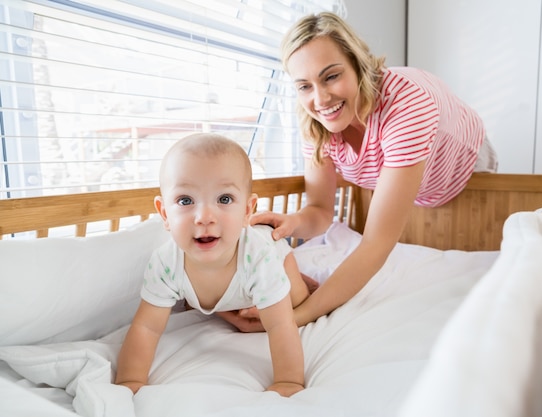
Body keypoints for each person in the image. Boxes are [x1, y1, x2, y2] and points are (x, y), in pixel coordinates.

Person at [219, 12, 498, 332]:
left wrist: (292, 319)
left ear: (359, 65)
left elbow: (376, 243)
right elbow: (321, 210)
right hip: (406, 178)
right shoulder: (314, 122)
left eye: (331, 76)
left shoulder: (407, 106)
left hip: (461, 162)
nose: (320, 98)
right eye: (304, 86)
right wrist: (293, 222)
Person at [115, 133, 309, 397]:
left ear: (247, 211)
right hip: (240, 283)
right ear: (164, 214)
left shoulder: (260, 257)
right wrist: (130, 380)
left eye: (224, 199)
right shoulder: (166, 263)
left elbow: (280, 325)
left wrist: (289, 382)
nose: (204, 217)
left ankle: (300, 278)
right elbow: (146, 327)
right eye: (185, 201)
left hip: (274, 251)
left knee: (295, 299)